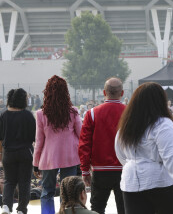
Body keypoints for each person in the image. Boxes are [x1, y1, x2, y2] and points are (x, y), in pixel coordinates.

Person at [115, 82, 173, 214]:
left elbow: (121, 154)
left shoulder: (126, 126)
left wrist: (138, 164)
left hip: (131, 183)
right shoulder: (163, 125)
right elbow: (171, 157)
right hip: (162, 182)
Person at [33, 75, 82, 214]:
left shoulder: (41, 114)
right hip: (70, 157)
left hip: (48, 159)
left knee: (47, 191)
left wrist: (36, 163)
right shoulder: (73, 112)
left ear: (47, 92)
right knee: (67, 193)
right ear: (65, 92)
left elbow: (39, 141)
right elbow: (81, 135)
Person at [79, 77, 126, 214]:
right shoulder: (129, 113)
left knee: (97, 209)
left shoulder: (92, 113)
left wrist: (85, 170)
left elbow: (84, 143)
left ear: (104, 92)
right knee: (125, 209)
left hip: (100, 170)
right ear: (122, 93)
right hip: (124, 168)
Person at [0, 88, 36, 214]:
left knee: (9, 180)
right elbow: (33, 137)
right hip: (25, 152)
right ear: (23, 100)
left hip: (8, 153)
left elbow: (0, 137)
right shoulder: (28, 115)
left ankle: (6, 206)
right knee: (24, 182)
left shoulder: (3, 115)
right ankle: (21, 209)